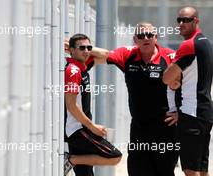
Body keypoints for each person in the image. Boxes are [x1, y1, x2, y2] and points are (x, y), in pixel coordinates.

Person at [90, 22, 179, 176]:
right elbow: (104, 55)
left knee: (164, 171)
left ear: (156, 37)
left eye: (150, 35)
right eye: (141, 35)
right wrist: (83, 47)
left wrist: (180, 113)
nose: (146, 38)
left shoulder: (170, 56)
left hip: (165, 127)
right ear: (135, 39)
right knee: (137, 170)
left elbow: (189, 86)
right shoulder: (128, 55)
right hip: (139, 127)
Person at [163, 6, 213, 176]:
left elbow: (167, 78)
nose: (182, 24)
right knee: (202, 168)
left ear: (196, 21)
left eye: (186, 20)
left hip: (192, 114)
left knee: (191, 170)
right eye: (179, 20)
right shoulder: (207, 42)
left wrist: (174, 80)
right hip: (204, 113)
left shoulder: (188, 45)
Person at [64, 33, 122, 176]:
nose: (86, 51)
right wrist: (92, 126)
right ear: (71, 50)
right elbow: (71, 105)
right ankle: (71, 159)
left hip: (82, 128)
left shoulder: (83, 66)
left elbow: (106, 55)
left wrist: (87, 48)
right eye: (81, 48)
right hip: (77, 130)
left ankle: (73, 160)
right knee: (115, 156)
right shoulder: (73, 70)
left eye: (88, 48)